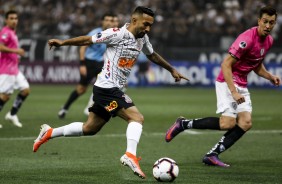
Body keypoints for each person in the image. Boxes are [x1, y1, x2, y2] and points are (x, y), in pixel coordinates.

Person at [33, 6, 188, 179]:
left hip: (111, 90)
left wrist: (171, 69)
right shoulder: (117, 34)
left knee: (90, 128)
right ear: (134, 20)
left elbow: (151, 55)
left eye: (150, 25)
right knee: (137, 118)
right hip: (107, 89)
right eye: (145, 24)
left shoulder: (142, 38)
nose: (148, 29)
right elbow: (88, 40)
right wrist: (63, 43)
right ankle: (130, 155)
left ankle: (49, 132)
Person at [165, 5, 281, 167]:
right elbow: (226, 64)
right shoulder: (246, 39)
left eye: (272, 23)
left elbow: (256, 64)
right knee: (228, 123)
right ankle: (183, 124)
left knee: (246, 122)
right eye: (265, 21)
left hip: (241, 83)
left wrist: (270, 76)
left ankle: (212, 155)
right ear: (258, 21)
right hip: (227, 81)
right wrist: (233, 91)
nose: (268, 26)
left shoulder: (268, 40)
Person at [58, 13, 118, 119]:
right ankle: (65, 108)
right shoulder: (95, 33)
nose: (109, 22)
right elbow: (82, 48)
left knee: (104, 84)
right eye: (107, 20)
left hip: (100, 63)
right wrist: (82, 64)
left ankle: (95, 108)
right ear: (102, 21)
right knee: (81, 89)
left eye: (111, 20)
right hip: (89, 62)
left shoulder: (110, 33)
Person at [83, 13, 120, 116]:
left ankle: (105, 109)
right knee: (104, 90)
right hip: (102, 66)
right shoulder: (105, 33)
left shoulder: (120, 34)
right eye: (112, 21)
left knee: (115, 92)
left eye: (115, 21)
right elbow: (85, 43)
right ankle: (97, 108)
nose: (113, 23)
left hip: (114, 68)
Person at [0, 10, 30, 128]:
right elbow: (1, 46)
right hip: (6, 69)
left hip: (14, 69)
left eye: (16, 18)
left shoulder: (13, 32)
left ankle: (12, 114)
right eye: (11, 18)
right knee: (4, 95)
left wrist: (16, 56)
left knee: (25, 90)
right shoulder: (5, 32)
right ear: (6, 20)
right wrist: (16, 51)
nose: (14, 20)